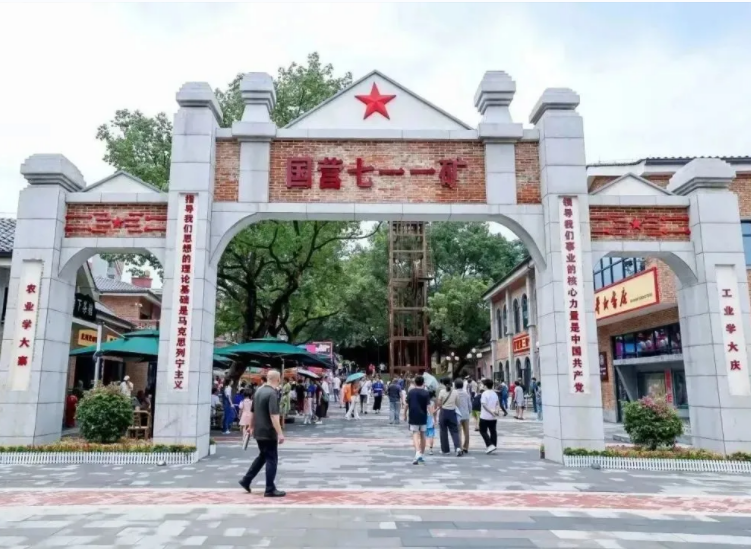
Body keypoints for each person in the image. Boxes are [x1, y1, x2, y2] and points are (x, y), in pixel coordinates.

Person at [239, 370, 285, 497]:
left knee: (263, 456)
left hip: (258, 431)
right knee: (272, 459)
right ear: (277, 379)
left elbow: (252, 412)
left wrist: (251, 426)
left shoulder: (258, 391)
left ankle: (246, 480)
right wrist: (280, 433)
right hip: (268, 431)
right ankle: (269, 488)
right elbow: (274, 416)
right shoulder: (272, 393)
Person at [406, 375, 431, 465]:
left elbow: (407, 404)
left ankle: (417, 452)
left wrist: (404, 414)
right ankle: (421, 454)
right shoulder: (426, 393)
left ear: (415, 383)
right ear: (423, 382)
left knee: (415, 434)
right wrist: (432, 416)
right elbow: (429, 406)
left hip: (413, 415)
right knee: (423, 434)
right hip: (423, 415)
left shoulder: (411, 392)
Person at [437, 378, 462, 456]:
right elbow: (458, 403)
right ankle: (457, 448)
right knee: (454, 431)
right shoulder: (455, 392)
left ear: (444, 384)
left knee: (443, 431)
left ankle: (445, 450)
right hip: (452, 413)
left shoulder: (442, 392)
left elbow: (439, 403)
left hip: (443, 412)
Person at [479, 378, 500, 453]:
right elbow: (497, 403)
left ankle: (490, 445)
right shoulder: (494, 393)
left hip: (485, 416)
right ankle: (493, 445)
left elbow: (484, 405)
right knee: (493, 431)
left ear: (485, 386)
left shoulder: (484, 393)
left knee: (482, 431)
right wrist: (496, 411)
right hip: (493, 417)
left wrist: (491, 412)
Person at [455, 379, 472, 455]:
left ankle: (460, 447)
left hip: (458, 415)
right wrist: (469, 411)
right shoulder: (466, 393)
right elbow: (469, 404)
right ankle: (466, 447)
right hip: (466, 414)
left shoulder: (455, 393)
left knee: (459, 432)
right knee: (466, 432)